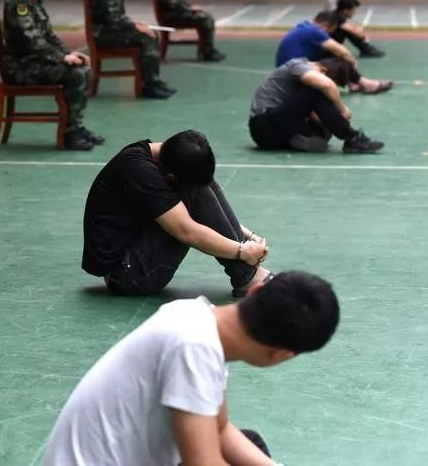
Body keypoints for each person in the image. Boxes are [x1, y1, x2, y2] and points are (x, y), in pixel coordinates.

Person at [42, 270, 340, 466]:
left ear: (255, 291)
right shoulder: (194, 349)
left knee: (251, 447)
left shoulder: (196, 317)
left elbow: (219, 429)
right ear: (281, 354)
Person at [82, 130, 271, 299]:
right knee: (194, 191)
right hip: (125, 274)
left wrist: (248, 237)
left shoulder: (162, 155)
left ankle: (248, 274)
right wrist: (241, 251)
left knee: (200, 182)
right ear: (171, 176)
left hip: (134, 253)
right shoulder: (140, 171)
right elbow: (186, 230)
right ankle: (247, 277)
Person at [3, 0, 100, 151]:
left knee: (83, 68)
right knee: (75, 74)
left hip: (34, 62)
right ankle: (69, 135)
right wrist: (61, 58)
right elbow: (31, 39)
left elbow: (48, 35)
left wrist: (69, 53)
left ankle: (75, 127)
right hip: (21, 68)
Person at [92, 0, 176, 99]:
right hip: (105, 35)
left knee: (150, 33)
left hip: (111, 31)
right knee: (147, 37)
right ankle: (148, 86)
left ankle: (153, 81)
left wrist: (136, 24)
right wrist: (135, 26)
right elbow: (113, 18)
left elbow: (116, 16)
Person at [249, 57, 384, 154]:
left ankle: (296, 141)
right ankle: (352, 138)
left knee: (325, 125)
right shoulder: (297, 66)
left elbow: (316, 115)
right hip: (263, 125)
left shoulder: (303, 87)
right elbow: (326, 85)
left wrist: (335, 120)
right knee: (316, 92)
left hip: (278, 131)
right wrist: (341, 109)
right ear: (323, 71)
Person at [276, 11, 392, 95]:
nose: (327, 35)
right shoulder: (314, 31)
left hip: (286, 71)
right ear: (326, 26)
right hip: (294, 75)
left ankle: (353, 83)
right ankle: (366, 84)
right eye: (329, 32)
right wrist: (352, 63)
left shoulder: (304, 26)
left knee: (330, 53)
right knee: (340, 56)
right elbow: (342, 51)